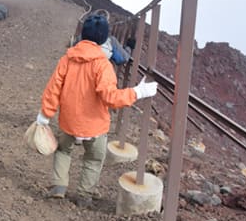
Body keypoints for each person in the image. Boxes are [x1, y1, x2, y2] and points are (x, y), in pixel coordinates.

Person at [36, 14, 157, 207]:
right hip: (95, 127)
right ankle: (84, 196)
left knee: (63, 150)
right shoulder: (103, 65)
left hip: (68, 121)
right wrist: (138, 92)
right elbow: (111, 98)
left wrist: (44, 115)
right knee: (93, 159)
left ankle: (59, 187)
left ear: (82, 34)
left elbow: (53, 89)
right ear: (104, 38)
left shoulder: (67, 59)